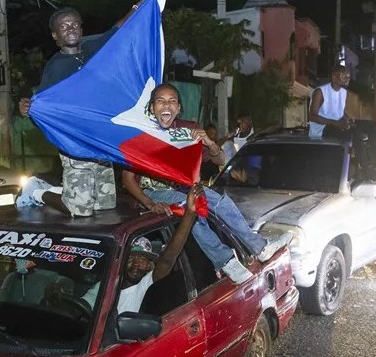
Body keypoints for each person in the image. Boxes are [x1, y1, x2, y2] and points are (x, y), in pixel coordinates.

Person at [121, 83, 291, 284]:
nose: (166, 105)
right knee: (189, 207)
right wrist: (150, 204)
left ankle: (261, 248)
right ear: (151, 108)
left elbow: (220, 161)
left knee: (220, 201)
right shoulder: (141, 135)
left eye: (172, 101)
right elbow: (127, 179)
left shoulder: (187, 131)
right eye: (160, 101)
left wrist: (209, 143)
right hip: (152, 193)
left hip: (181, 187)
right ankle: (225, 261)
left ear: (178, 108)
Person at [18, 0, 142, 217]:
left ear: (81, 29)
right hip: (74, 144)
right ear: (55, 36)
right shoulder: (56, 66)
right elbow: (42, 105)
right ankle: (37, 190)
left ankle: (69, 192)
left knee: (105, 205)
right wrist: (28, 109)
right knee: (80, 209)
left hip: (99, 143)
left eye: (74, 24)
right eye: (64, 26)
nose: (70, 29)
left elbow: (117, 30)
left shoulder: (92, 50)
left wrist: (140, 5)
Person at [117, 185, 201, 314]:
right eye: (132, 257)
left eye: (142, 258)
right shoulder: (106, 287)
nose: (136, 263)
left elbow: (168, 258)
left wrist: (189, 215)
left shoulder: (144, 286)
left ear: (149, 266)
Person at [309, 64, 352, 138]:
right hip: (322, 130)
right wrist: (336, 123)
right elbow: (312, 116)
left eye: (348, 77)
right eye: (344, 76)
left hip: (336, 127)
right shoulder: (320, 92)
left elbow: (341, 112)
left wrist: (347, 119)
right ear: (334, 77)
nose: (347, 79)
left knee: (372, 127)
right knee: (350, 136)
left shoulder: (344, 92)